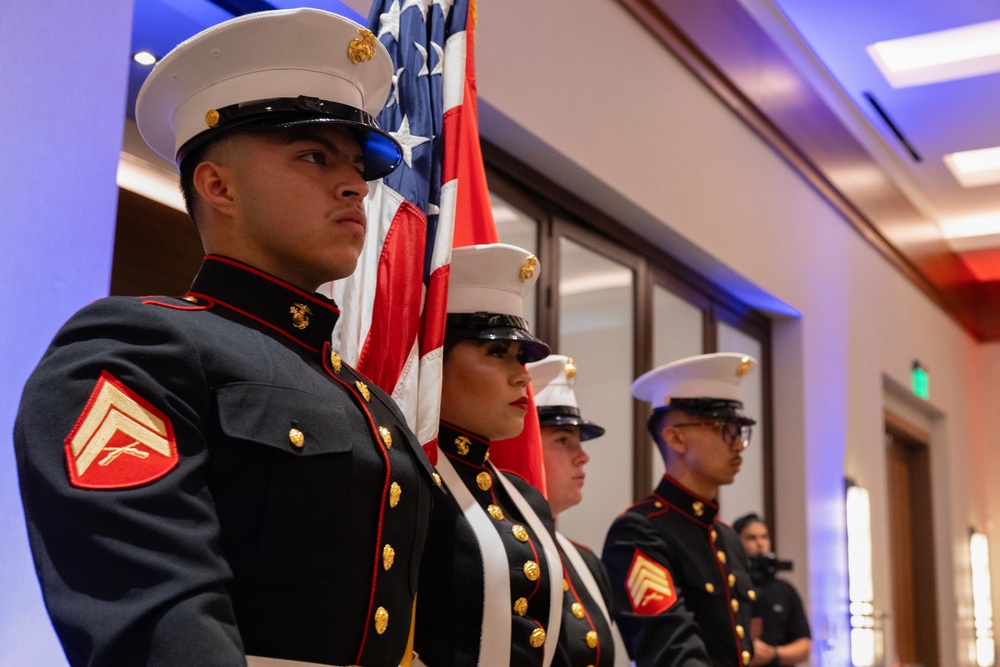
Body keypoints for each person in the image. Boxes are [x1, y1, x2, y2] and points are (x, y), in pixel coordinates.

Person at [14, 9, 441, 667]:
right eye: (313, 154)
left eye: (359, 164)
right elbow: (158, 623)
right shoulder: (136, 353)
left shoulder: (367, 402)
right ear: (218, 185)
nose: (355, 183)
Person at [414, 243, 564, 667]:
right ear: (436, 355)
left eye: (521, 357)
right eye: (498, 352)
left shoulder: (526, 499)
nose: (522, 376)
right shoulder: (411, 478)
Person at [602, 352, 759, 667]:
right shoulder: (639, 532)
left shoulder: (726, 537)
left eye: (740, 431)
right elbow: (670, 653)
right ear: (675, 438)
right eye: (724, 428)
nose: (738, 444)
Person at [528, 354, 629, 667]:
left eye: (579, 442)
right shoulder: (500, 555)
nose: (582, 456)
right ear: (525, 444)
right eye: (563, 440)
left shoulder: (586, 562)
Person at [732, 514, 812, 666]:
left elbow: (804, 645)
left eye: (764, 537)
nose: (760, 543)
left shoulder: (784, 590)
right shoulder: (731, 587)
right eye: (751, 538)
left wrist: (772, 654)